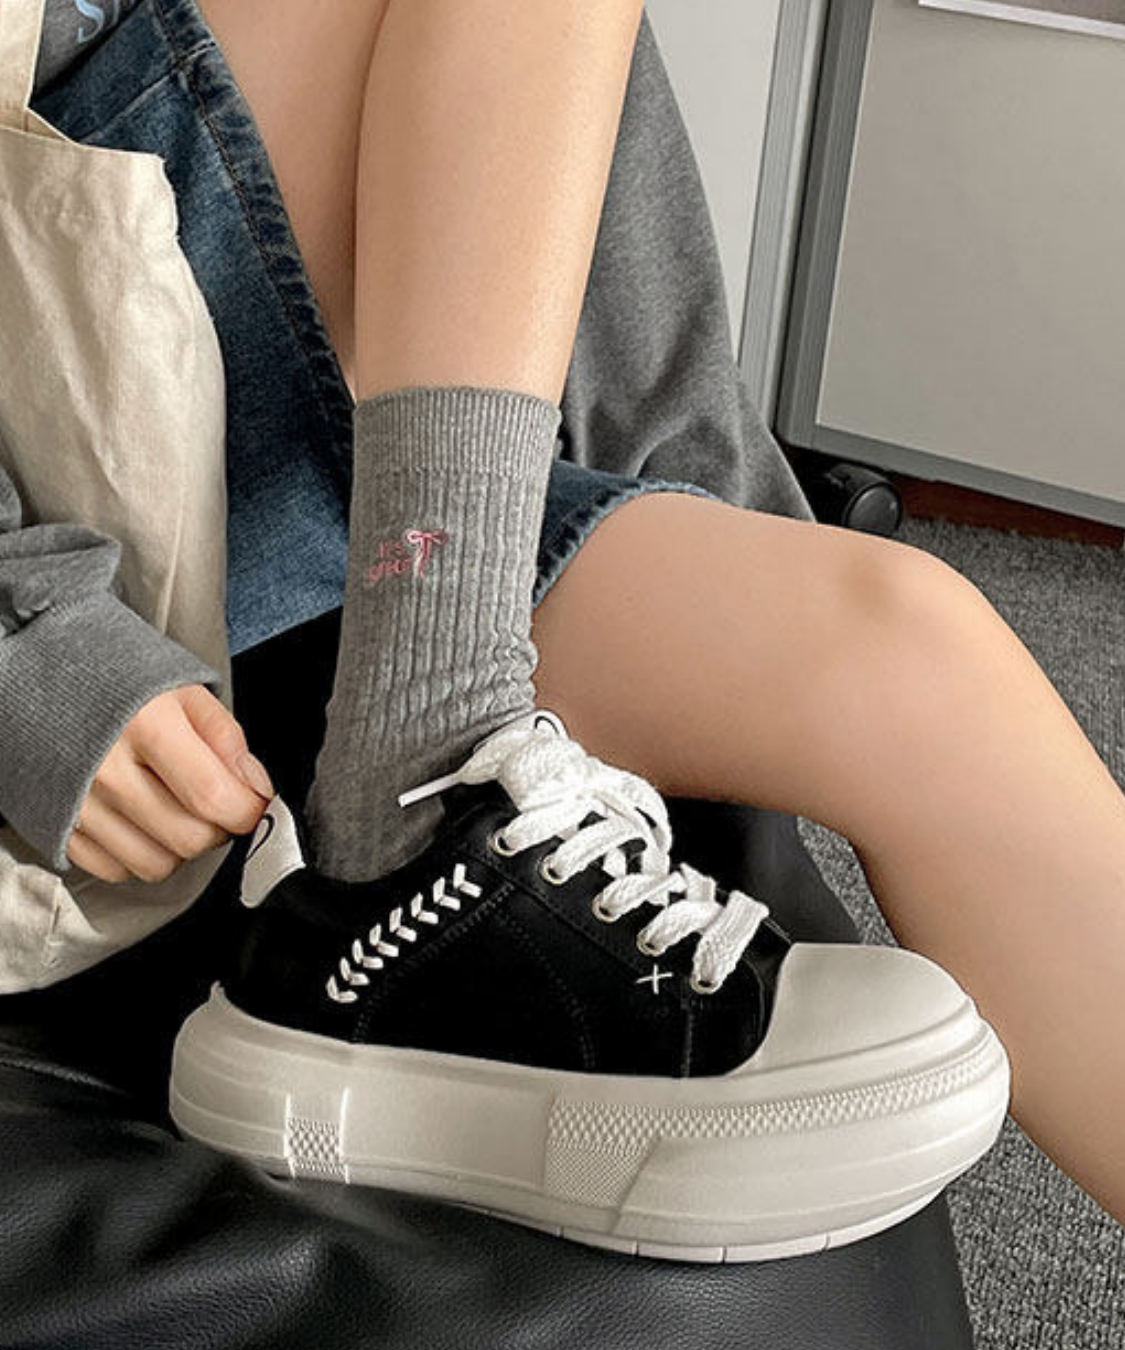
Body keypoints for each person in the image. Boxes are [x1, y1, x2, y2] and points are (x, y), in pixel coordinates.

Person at [5, 0, 1121, 1263]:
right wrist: (25, 641)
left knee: (914, 658)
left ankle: (427, 723)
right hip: (97, 494)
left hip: (399, 509)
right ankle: (409, 794)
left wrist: (698, 504)